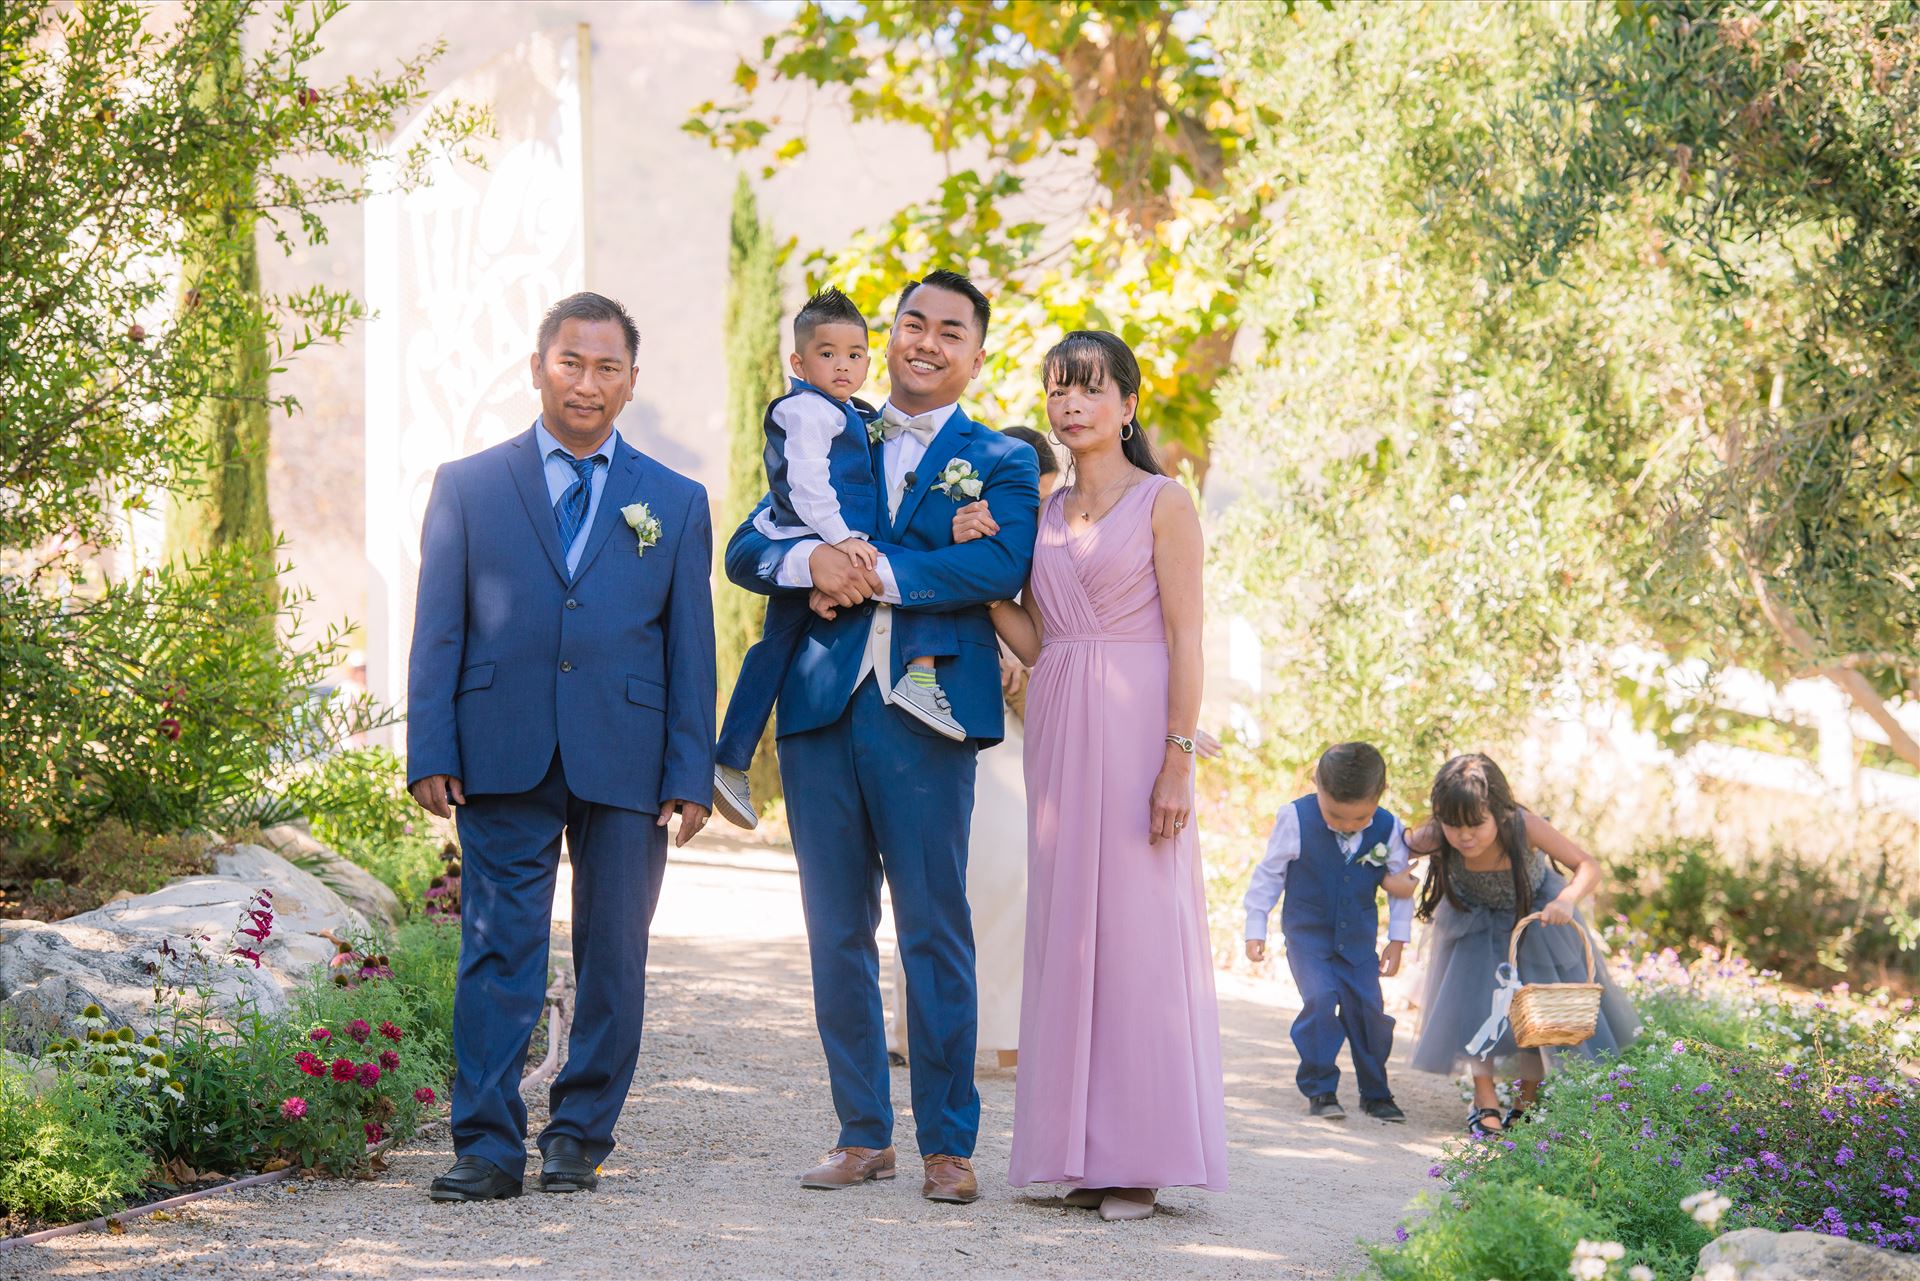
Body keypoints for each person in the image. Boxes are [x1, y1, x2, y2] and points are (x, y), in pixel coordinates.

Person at [724, 269, 1040, 1205]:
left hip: (930, 710)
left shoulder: (998, 459)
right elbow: (747, 546)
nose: (926, 342)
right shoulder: (823, 420)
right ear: (888, 335)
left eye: (951, 331)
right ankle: (863, 1133)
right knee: (836, 933)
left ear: (976, 356)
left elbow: (997, 561)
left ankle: (948, 1142)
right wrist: (811, 558)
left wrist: (878, 573)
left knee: (936, 932)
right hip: (821, 709)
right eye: (912, 323)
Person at [405, 292, 715, 1201]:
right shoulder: (467, 484)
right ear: (539, 367)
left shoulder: (675, 499)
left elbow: (690, 645)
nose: (588, 382)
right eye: (571, 362)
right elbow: (439, 628)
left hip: (629, 753)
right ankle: (488, 1145)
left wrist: (689, 769)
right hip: (502, 747)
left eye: (606, 366)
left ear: (630, 381)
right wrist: (432, 743)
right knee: (498, 946)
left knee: (616, 951)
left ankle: (580, 1131)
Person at [990, 329, 1228, 1222]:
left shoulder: (1165, 502)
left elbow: (1187, 636)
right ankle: (1078, 1151)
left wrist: (1178, 757)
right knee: (1069, 933)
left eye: (1089, 389)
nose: (1070, 404)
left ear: (1128, 405)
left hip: (1139, 731)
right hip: (1058, 721)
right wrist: (985, 587)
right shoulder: (1043, 511)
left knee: (1135, 934)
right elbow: (1042, 641)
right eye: (1057, 389)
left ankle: (1141, 1157)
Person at [712, 289, 962, 829]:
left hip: (836, 556)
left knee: (772, 650)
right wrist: (832, 546)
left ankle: (730, 757)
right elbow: (803, 486)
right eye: (828, 355)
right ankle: (922, 676)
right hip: (811, 536)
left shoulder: (856, 415)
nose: (844, 366)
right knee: (921, 568)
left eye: (854, 354)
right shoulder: (803, 409)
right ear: (799, 363)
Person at [887, 425, 1062, 1071]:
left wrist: (1018, 668)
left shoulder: (1051, 540)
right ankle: (916, 1027)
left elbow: (1049, 635)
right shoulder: (952, 517)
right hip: (939, 706)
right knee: (937, 873)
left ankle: (1011, 1033)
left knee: (1011, 870)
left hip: (1015, 732)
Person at [1406, 753, 1639, 1136]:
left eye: (1476, 825)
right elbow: (1396, 848)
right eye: (1452, 826)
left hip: (1535, 919)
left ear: (1498, 810)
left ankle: (1527, 1097)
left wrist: (1565, 900)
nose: (1464, 836)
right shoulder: (1438, 832)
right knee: (1475, 1008)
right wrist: (1397, 876)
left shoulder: (1523, 825)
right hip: (1473, 922)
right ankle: (1484, 1099)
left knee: (1534, 1014)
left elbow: (1588, 865)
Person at [1242, 741, 1417, 1124]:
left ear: (1379, 797)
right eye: (1336, 815)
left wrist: (1397, 940)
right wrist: (1256, 924)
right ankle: (1320, 1088)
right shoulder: (1295, 817)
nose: (1346, 825)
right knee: (1320, 1000)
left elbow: (1401, 886)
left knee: (1369, 1010)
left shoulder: (1390, 827)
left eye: (1359, 819)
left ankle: (1376, 1093)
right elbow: (1269, 874)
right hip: (1308, 938)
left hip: (1358, 942)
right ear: (1316, 785)